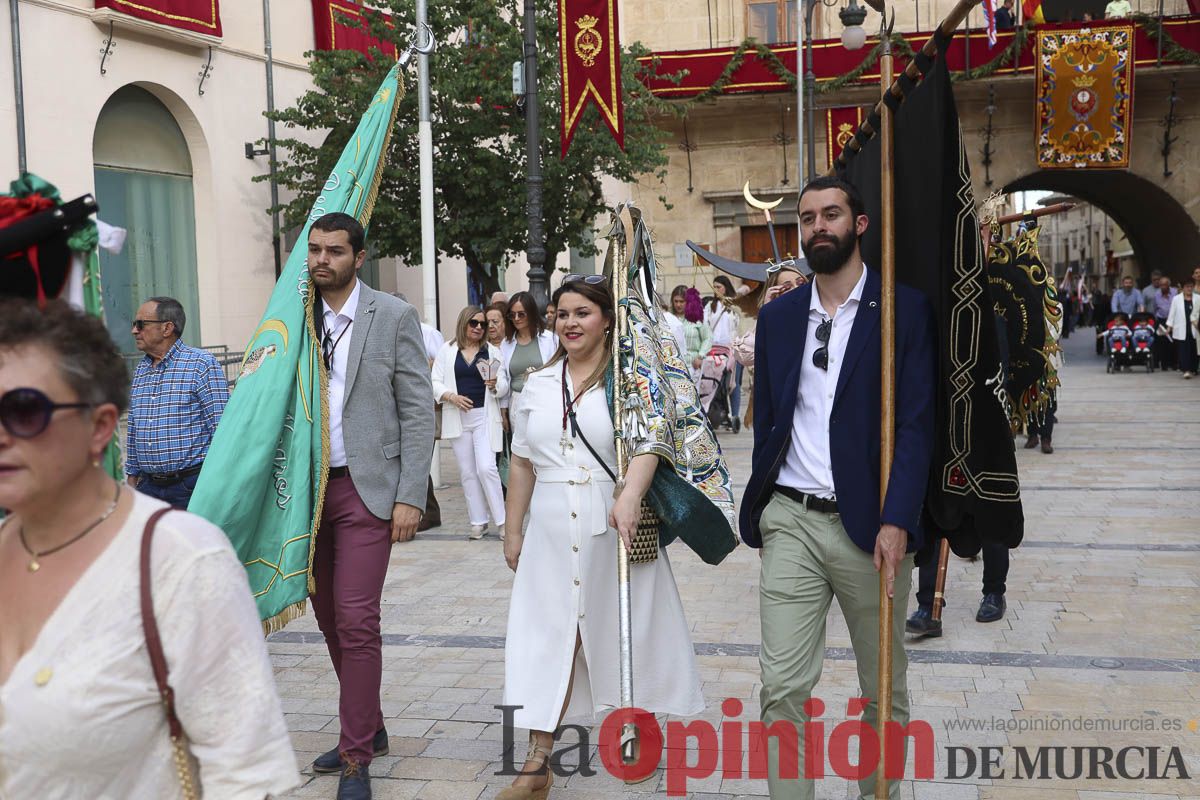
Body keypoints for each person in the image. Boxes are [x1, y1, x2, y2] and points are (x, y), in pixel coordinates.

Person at [0, 298, 300, 798]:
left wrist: (212, 484)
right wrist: (134, 470)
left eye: (25, 411)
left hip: (188, 485)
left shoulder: (184, 562)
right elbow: (136, 428)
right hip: (149, 480)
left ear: (95, 426)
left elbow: (244, 775)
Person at [740, 176, 936, 799]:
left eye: (831, 214)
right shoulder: (776, 318)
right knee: (782, 690)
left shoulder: (902, 311)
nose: (817, 226)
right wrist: (766, 506)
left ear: (860, 225)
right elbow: (770, 419)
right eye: (807, 218)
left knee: (882, 691)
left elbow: (915, 424)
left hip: (873, 528)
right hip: (791, 518)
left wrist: (898, 518)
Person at [498, 277, 704, 799]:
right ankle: (536, 762)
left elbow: (652, 442)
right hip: (548, 528)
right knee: (548, 639)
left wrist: (631, 494)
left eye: (582, 312)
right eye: (562, 313)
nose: (569, 322)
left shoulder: (631, 380)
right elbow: (522, 461)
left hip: (613, 524)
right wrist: (512, 528)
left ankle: (640, 720)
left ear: (607, 319)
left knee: (629, 630)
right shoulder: (538, 385)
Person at [306, 213, 435, 800]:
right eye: (314, 251)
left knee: (357, 620)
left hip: (368, 490)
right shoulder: (294, 316)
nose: (321, 260)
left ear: (358, 258)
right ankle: (370, 726)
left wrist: (411, 494)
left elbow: (417, 409)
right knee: (329, 619)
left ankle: (357, 760)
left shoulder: (392, 316)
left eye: (334, 251)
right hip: (306, 496)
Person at [125, 296, 228, 509]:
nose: (134, 331)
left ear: (167, 328)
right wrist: (132, 475)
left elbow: (222, 430)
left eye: (141, 324)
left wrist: (218, 484)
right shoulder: (141, 370)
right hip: (148, 489)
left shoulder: (201, 364)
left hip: (190, 487)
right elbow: (134, 427)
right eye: (135, 325)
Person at [432, 306, 509, 540]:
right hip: (458, 418)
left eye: (483, 324)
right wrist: (451, 397)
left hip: (484, 417)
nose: (479, 327)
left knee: (487, 468)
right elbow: (434, 381)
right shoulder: (447, 350)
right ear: (464, 323)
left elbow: (504, 385)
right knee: (467, 472)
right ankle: (478, 521)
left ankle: (503, 521)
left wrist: (495, 385)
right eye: (474, 323)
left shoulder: (492, 352)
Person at [394, 292, 446, 531]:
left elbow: (440, 364)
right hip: (393, 406)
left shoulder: (428, 333)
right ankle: (430, 510)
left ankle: (427, 510)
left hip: (421, 403)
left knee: (416, 456)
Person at [499, 291, 558, 409]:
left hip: (545, 399)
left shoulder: (550, 339)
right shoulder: (506, 343)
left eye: (521, 314)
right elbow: (504, 376)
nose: (516, 318)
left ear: (531, 313)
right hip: (516, 400)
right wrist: (503, 407)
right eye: (512, 315)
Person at [670, 285, 712, 384]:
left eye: (681, 301)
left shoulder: (697, 319)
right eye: (676, 301)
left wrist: (700, 356)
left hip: (692, 365)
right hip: (674, 365)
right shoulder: (669, 319)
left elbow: (708, 338)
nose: (678, 305)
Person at [1166, 279, 1198, 378]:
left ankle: (1193, 369)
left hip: (1195, 328)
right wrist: (1169, 327)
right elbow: (1172, 313)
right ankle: (1186, 370)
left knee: (1194, 350)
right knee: (1184, 350)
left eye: (1191, 286)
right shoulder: (1176, 299)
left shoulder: (1198, 298)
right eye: (1187, 287)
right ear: (1183, 288)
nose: (1189, 288)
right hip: (1181, 328)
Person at [1152, 276, 1178, 371]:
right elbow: (1155, 308)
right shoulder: (1156, 294)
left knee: (1173, 342)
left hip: (1174, 320)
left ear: (1169, 285)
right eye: (1161, 285)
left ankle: (1174, 364)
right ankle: (1164, 365)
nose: (1163, 287)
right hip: (1161, 320)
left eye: (1165, 285)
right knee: (1162, 343)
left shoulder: (1175, 292)